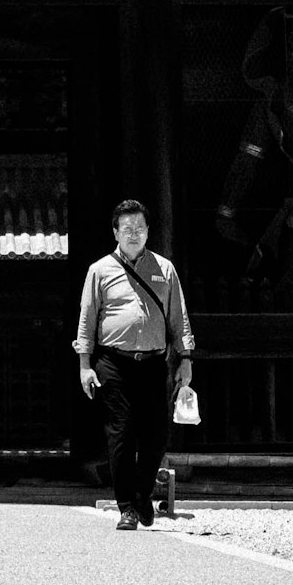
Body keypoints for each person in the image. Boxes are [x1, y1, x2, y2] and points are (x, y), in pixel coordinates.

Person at [71, 198, 196, 530]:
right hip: (113, 362)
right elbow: (87, 319)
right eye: (127, 229)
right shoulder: (99, 270)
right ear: (115, 231)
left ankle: (141, 494)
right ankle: (127, 506)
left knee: (157, 434)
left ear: (148, 231)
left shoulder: (164, 269)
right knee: (121, 433)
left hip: (154, 363)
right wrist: (85, 365)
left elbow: (178, 318)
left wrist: (185, 359)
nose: (134, 234)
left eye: (139, 228)